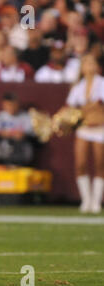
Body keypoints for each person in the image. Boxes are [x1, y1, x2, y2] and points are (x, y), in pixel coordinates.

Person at [63, 54, 104, 214]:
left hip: (100, 128)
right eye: (86, 63)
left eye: (91, 63)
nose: (89, 67)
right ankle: (86, 200)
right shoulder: (78, 86)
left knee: (100, 164)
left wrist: (81, 110)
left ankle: (96, 201)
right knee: (80, 164)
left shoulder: (101, 83)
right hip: (84, 129)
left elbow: (98, 103)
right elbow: (69, 106)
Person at [0, 92, 35, 165]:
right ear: (3, 105)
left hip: (21, 149)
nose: (10, 107)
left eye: (13, 105)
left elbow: (32, 135)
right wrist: (3, 134)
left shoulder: (26, 117)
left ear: (17, 104)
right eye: (8, 105)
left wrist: (23, 135)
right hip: (3, 148)